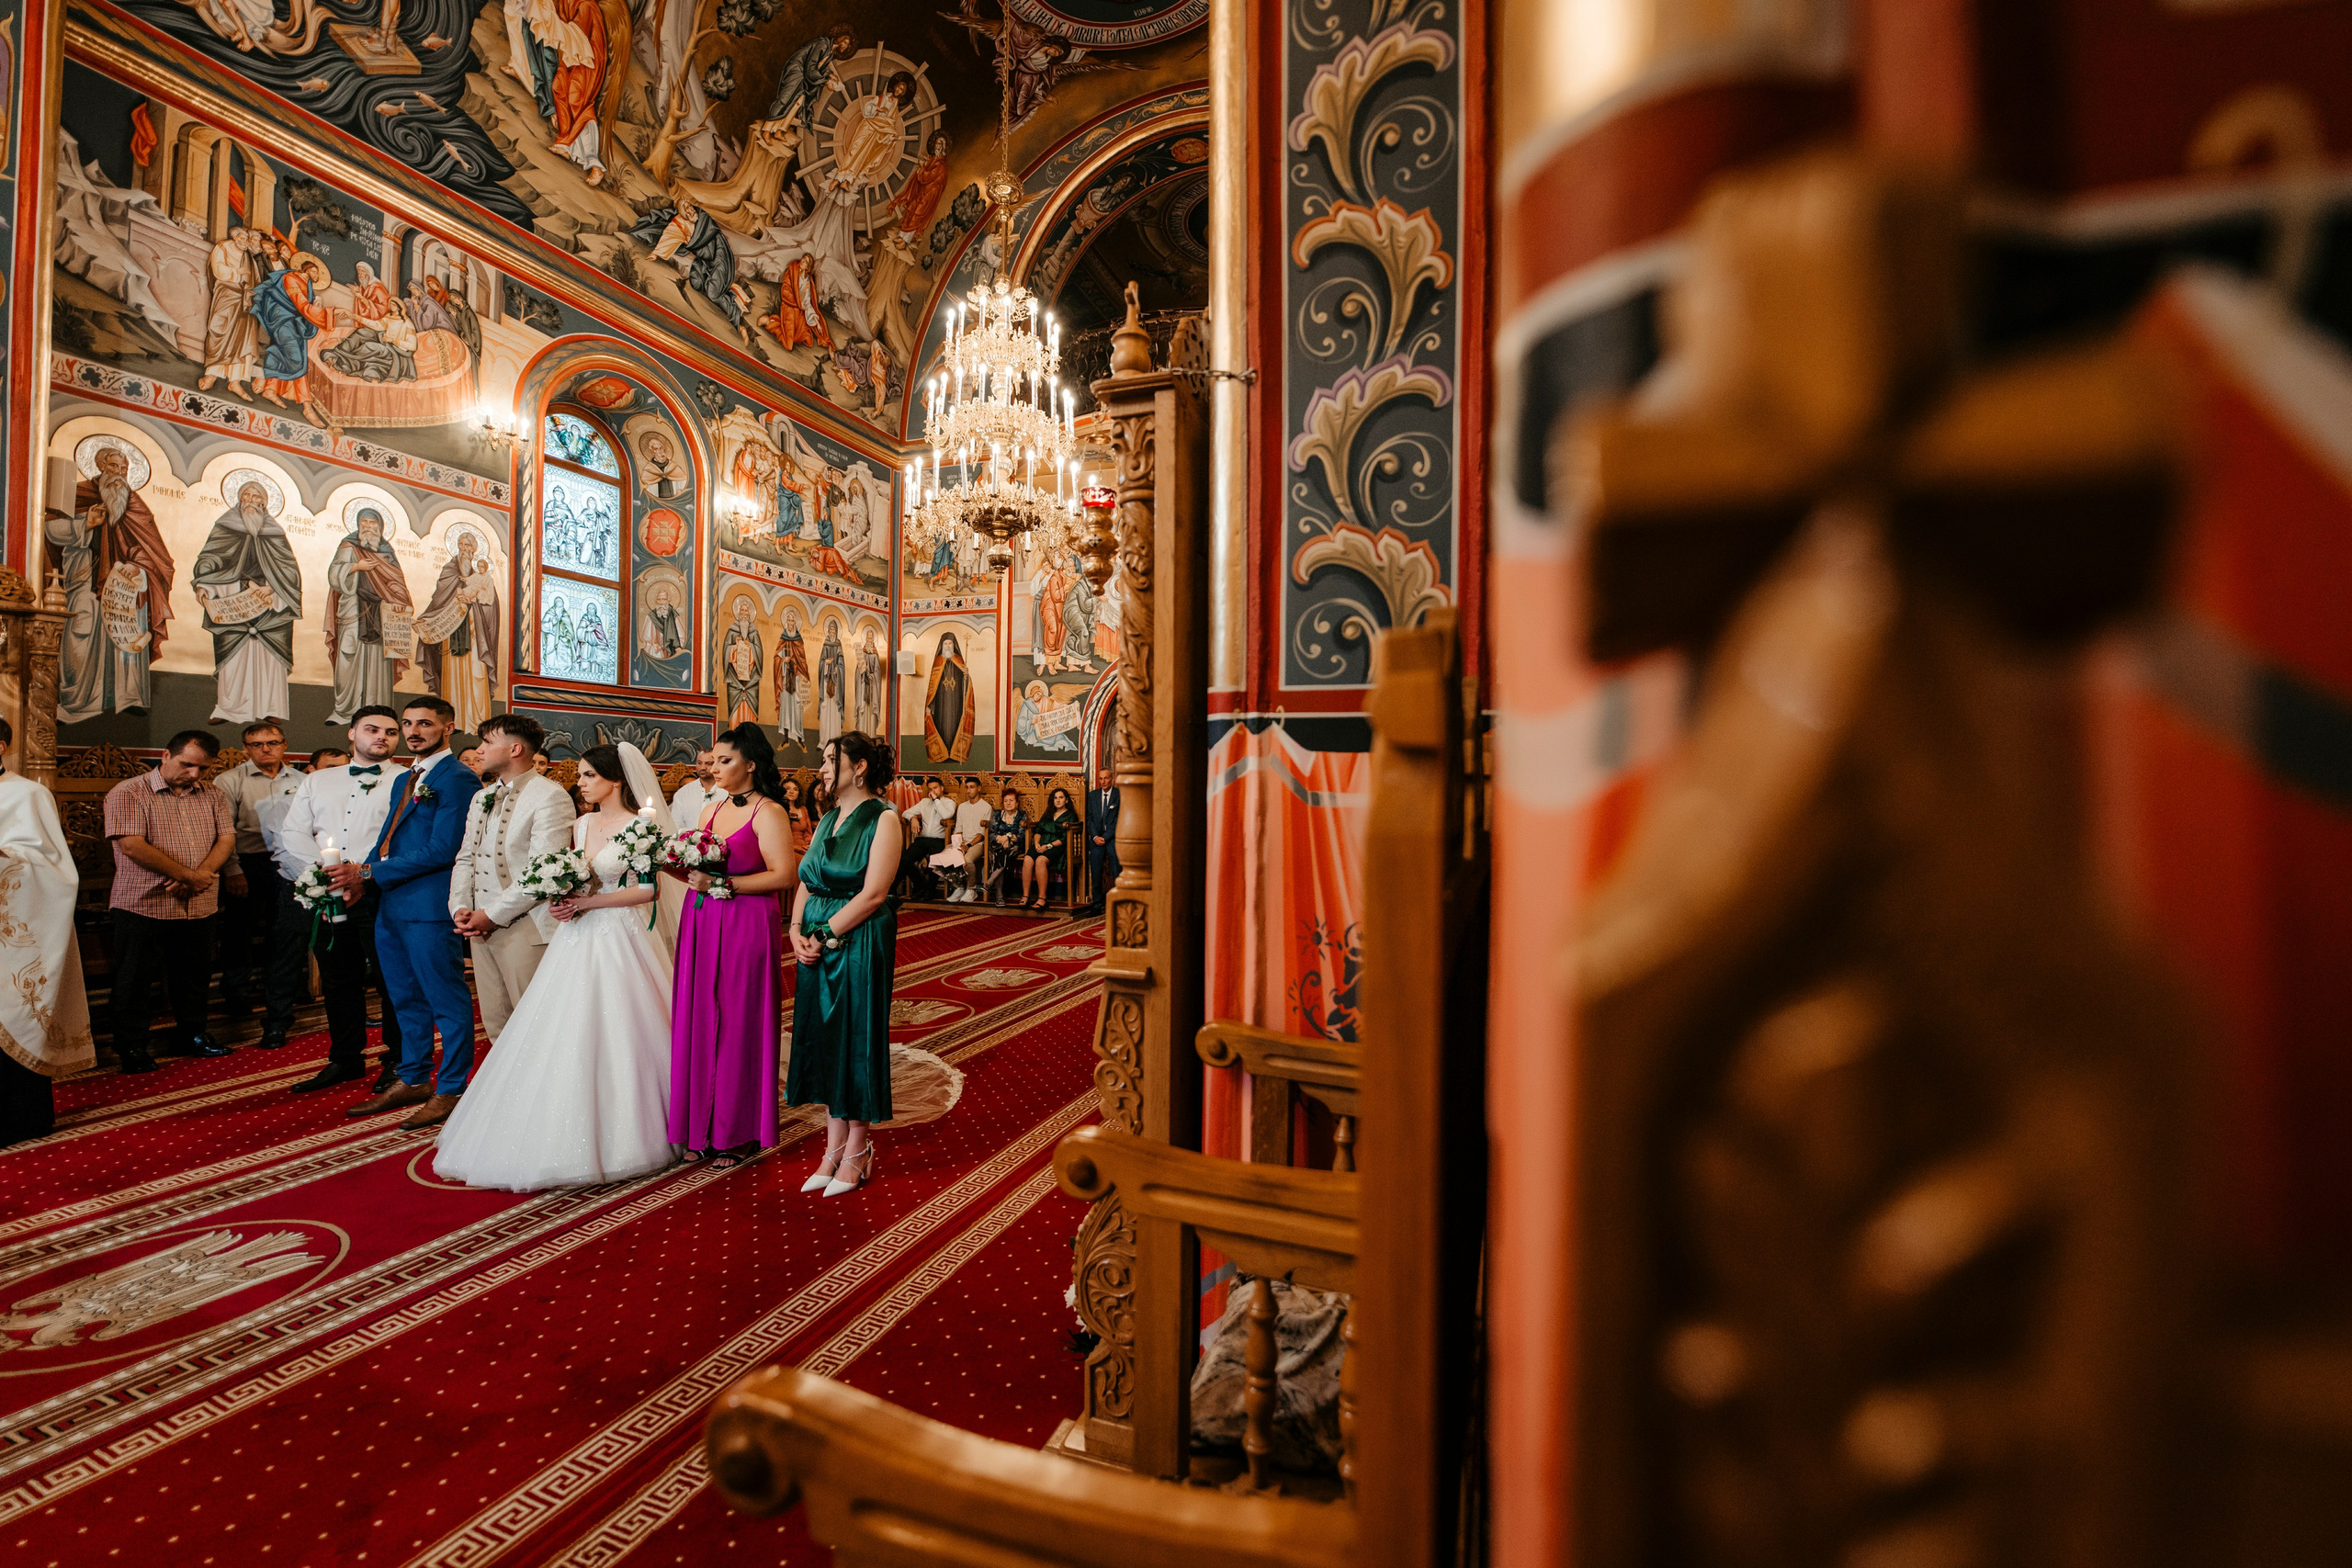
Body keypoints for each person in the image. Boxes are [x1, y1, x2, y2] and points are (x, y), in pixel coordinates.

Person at [435, 743, 677, 1190]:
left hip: (619, 934)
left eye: (588, 775)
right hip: (577, 934)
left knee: (625, 1027)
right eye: (580, 775)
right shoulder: (583, 823)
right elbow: (576, 873)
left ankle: (638, 1127)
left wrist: (589, 901)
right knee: (558, 1025)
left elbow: (648, 892)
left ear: (615, 780)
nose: (580, 783)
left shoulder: (640, 827)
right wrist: (561, 895)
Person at [338, 696, 483, 1129]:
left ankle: (452, 1086)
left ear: (448, 727)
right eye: (407, 724)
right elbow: (387, 839)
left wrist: (366, 871)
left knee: (446, 999)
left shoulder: (457, 779)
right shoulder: (407, 777)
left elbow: (444, 849)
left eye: (425, 723)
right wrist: (360, 879)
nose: (414, 731)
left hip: (429, 906)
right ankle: (414, 1076)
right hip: (391, 903)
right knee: (403, 997)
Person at [668, 723, 797, 1167]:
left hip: (746, 920)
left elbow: (784, 875)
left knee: (738, 1020)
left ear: (751, 765)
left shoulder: (770, 812)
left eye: (725, 760)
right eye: (714, 759)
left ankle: (735, 1130)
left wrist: (725, 883)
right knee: (700, 1016)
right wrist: (668, 865)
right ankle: (698, 1127)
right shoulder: (710, 811)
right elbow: (697, 868)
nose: (715, 768)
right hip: (703, 918)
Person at [786, 730, 903, 1196]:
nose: (822, 767)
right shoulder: (828, 817)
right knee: (823, 1039)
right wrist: (795, 933)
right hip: (814, 940)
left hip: (857, 940)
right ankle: (831, 1148)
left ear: (860, 768)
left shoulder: (884, 819)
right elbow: (807, 881)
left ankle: (858, 1147)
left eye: (832, 759)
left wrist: (825, 932)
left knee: (854, 1037)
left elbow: (874, 894)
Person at [277, 709, 408, 1091]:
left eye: (390, 732)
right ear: (352, 733)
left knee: (390, 980)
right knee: (338, 979)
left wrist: (362, 878)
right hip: (328, 894)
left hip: (381, 893)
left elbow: (404, 839)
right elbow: (294, 832)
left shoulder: (406, 780)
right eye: (372, 729)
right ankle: (345, 1058)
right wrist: (327, 876)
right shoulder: (318, 780)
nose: (381, 737)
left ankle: (398, 1060)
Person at [101, 730, 237, 1074]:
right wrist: (188, 876)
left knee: (193, 974)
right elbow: (132, 845)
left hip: (198, 901)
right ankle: (131, 1045)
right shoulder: (129, 791)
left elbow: (226, 839)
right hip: (143, 901)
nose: (194, 775)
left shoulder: (213, 793)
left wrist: (200, 875)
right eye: (187, 765)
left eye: (202, 769)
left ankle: (193, 1035)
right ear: (165, 755)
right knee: (135, 978)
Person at [448, 714, 577, 1045]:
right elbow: (466, 857)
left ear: (515, 748)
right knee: (496, 1022)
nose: (479, 750)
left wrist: (491, 916)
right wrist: (461, 907)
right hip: (478, 925)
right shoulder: (482, 796)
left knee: (535, 1024)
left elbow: (542, 872)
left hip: (527, 927)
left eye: (488, 742)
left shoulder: (551, 796)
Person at [0, 718, 95, 1145]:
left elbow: (54, 869)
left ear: (1, 746)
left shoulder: (27, 793)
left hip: (14, 933)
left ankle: (18, 1119)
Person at [211, 722, 307, 1038]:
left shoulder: (303, 780)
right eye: (256, 744)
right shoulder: (229, 780)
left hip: (290, 862)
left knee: (286, 932)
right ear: (245, 749)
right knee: (240, 929)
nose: (265, 749)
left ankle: (279, 1000)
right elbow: (224, 830)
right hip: (248, 861)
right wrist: (232, 869)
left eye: (272, 742)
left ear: (284, 744)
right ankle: (236, 991)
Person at [1023, 785, 1080, 910]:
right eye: (1055, 798)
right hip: (1041, 844)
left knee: (1040, 860)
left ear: (1066, 800)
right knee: (1027, 859)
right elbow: (1038, 830)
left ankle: (1042, 898)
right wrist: (1036, 843)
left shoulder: (1070, 816)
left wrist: (1048, 846)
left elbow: (1065, 838)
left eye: (1061, 798)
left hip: (1057, 846)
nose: (1058, 800)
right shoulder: (1048, 813)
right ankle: (1026, 896)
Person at [901, 777, 953, 899]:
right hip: (923, 839)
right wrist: (913, 818)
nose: (932, 791)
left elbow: (946, 815)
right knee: (904, 859)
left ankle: (930, 889)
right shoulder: (924, 802)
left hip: (939, 839)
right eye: (930, 789)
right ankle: (920, 885)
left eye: (935, 788)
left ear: (942, 788)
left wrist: (936, 800)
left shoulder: (949, 803)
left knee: (935, 861)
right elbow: (905, 812)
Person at [1080, 767, 1121, 916]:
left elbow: (1119, 819)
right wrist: (1095, 836)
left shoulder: (1119, 795)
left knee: (1117, 869)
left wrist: (1107, 836)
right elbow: (1089, 818)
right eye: (1101, 779)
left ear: (1112, 778)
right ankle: (1097, 905)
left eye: (1106, 778)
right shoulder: (1093, 796)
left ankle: (1119, 903)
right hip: (1096, 838)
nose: (1103, 781)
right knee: (1095, 869)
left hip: (1113, 838)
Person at [984, 787, 1028, 907]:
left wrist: (1008, 839)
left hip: (1015, 847)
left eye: (1011, 800)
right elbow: (991, 833)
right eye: (1006, 801)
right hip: (998, 845)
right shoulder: (998, 814)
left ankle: (992, 886)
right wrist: (1002, 839)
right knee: (1001, 854)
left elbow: (1021, 835)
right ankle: (997, 893)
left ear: (1017, 803)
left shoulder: (1022, 816)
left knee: (1003, 855)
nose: (1008, 803)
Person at [951, 777, 990, 903]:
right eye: (967, 787)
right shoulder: (962, 807)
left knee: (967, 860)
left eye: (972, 787)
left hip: (977, 843)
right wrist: (958, 843)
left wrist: (968, 845)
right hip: (962, 841)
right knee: (945, 854)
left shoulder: (986, 807)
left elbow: (982, 834)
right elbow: (958, 828)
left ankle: (971, 889)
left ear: (979, 789)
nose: (969, 790)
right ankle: (959, 887)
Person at [671, 746, 719, 828]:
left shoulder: (728, 791)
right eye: (699, 763)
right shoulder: (682, 793)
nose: (703, 767)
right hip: (688, 839)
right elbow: (677, 826)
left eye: (708, 764)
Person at [780, 774, 816, 853]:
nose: (792, 792)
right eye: (787, 789)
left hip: (804, 847)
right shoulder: (777, 808)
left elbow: (808, 832)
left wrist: (809, 845)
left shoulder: (803, 809)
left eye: (795, 789)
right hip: (785, 848)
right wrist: (794, 847)